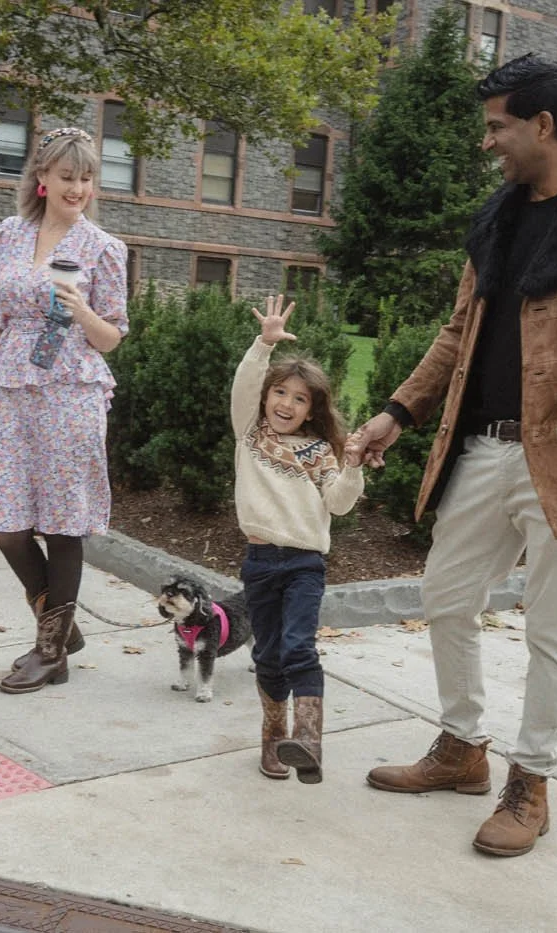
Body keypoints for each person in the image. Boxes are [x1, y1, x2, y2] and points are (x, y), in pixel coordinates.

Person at [347, 54, 557, 855]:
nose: (487, 142)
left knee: (552, 628)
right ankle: (463, 745)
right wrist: (399, 410)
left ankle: (530, 782)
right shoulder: (500, 214)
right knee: (446, 590)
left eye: (497, 126)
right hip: (486, 443)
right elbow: (458, 332)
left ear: (543, 124)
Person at [0, 126, 129, 695]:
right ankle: (61, 629)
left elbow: (112, 337)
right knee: (7, 524)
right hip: (14, 388)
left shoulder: (104, 248)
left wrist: (82, 311)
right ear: (41, 179)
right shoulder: (10, 234)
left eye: (87, 178)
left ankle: (51, 650)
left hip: (72, 394)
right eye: (67, 176)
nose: (78, 188)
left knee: (63, 523)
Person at [233, 295, 364, 784]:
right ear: (266, 397)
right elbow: (244, 384)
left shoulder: (319, 451)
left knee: (298, 648)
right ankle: (274, 737)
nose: (286, 404)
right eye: (280, 393)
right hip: (259, 561)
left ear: (313, 410)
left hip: (305, 564)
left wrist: (350, 466)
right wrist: (262, 345)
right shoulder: (249, 432)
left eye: (300, 398)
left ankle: (309, 740)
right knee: (267, 654)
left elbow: (340, 503)